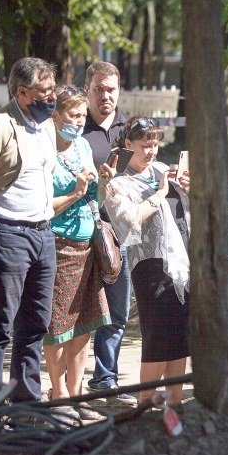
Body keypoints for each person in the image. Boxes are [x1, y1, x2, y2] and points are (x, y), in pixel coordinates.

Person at [0, 57, 58, 411]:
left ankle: (26, 406)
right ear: (22, 92)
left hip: (43, 234)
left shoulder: (46, 127)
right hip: (5, 233)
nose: (51, 98)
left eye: (53, 90)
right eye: (44, 91)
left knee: (35, 324)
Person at [104, 116, 191, 405]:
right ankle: (145, 404)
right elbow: (128, 222)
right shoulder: (118, 182)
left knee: (179, 335)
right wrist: (160, 195)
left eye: (155, 144)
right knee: (157, 336)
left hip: (181, 262)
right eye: (145, 145)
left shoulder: (163, 171)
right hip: (149, 264)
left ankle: (175, 404)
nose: (151, 151)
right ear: (127, 144)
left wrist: (185, 191)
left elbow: (184, 213)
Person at [45, 86, 109, 415]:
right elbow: (41, 206)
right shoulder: (44, 149)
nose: (79, 121)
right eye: (73, 114)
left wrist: (103, 183)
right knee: (58, 326)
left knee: (85, 322)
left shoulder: (83, 146)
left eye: (83, 115)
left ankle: (76, 393)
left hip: (87, 243)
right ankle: (57, 396)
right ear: (55, 114)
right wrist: (76, 191)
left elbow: (95, 198)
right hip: (57, 244)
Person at [81, 61, 136, 402]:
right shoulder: (72, 124)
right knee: (72, 312)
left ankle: (105, 377)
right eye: (99, 89)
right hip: (76, 230)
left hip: (117, 235)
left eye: (111, 89)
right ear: (87, 89)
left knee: (116, 311)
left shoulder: (127, 128)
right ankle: (66, 385)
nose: (105, 96)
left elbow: (144, 169)